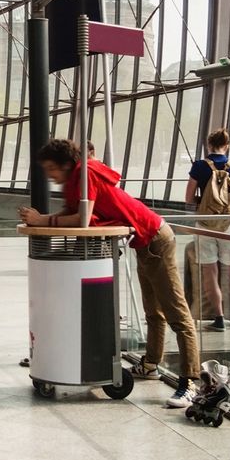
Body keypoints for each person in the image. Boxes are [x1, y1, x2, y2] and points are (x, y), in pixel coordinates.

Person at [20, 138, 202, 409]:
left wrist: (42, 220)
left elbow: (83, 217)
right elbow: (76, 214)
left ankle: (190, 381)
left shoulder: (85, 174)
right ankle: (151, 364)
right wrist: (43, 220)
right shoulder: (76, 182)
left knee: (177, 314)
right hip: (146, 242)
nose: (49, 175)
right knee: (153, 311)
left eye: (52, 168)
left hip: (155, 239)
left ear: (67, 164)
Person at [187, 129, 230, 331]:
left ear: (209, 145)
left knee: (210, 272)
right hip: (229, 224)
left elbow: (188, 198)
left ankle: (218, 318)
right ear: (226, 145)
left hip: (205, 224)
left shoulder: (199, 166)